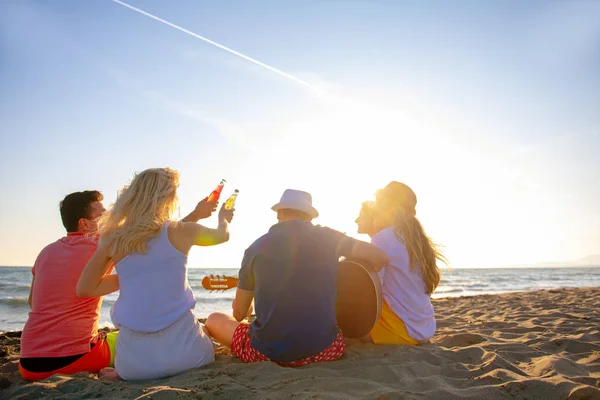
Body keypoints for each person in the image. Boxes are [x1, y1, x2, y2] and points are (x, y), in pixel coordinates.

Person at [77, 168, 233, 380]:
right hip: (190, 359)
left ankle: (117, 374)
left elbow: (85, 288)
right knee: (203, 331)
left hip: (133, 369)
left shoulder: (112, 237)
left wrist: (137, 275)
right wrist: (223, 217)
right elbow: (221, 236)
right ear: (167, 199)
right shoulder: (184, 231)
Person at [206, 189, 389, 366]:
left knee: (214, 319)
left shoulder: (256, 248)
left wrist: (251, 298)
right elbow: (380, 257)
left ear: (279, 214)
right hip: (326, 351)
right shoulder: (330, 237)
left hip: (267, 354)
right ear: (309, 217)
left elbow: (239, 314)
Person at [18, 191, 115, 381]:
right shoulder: (102, 245)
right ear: (84, 223)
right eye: (103, 214)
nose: (109, 217)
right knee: (129, 340)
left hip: (28, 364)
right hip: (75, 359)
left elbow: (33, 302)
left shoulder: (46, 252)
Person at [359, 181, 447, 345]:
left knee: (344, 327)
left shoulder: (383, 237)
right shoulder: (419, 240)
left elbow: (372, 287)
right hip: (425, 329)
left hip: (401, 330)